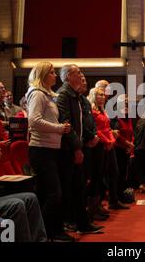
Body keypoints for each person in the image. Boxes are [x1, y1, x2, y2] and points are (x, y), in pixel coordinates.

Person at [26, 61, 74, 242]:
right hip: (41, 149)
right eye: (52, 72)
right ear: (43, 75)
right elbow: (34, 121)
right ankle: (45, 234)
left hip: (50, 149)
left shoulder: (48, 95)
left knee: (50, 193)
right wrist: (59, 128)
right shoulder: (37, 94)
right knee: (54, 194)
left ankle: (50, 232)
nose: (55, 75)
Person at [56, 64, 103, 234]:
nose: (82, 75)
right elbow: (66, 124)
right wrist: (77, 148)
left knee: (79, 188)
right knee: (69, 189)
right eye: (78, 72)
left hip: (79, 146)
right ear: (68, 76)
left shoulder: (76, 96)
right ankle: (69, 224)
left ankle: (83, 224)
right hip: (67, 149)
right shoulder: (63, 95)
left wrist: (88, 140)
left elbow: (84, 124)